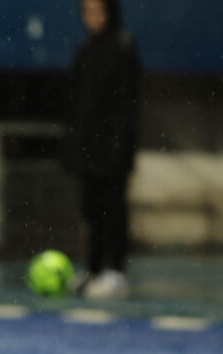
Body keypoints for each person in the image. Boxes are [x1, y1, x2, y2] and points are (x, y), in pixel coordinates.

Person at [62, 0, 141, 299]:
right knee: (92, 210)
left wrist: (117, 146)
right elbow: (78, 104)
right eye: (86, 11)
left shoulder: (123, 46)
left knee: (113, 210)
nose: (91, 17)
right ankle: (94, 269)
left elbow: (126, 104)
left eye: (96, 11)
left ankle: (116, 271)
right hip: (90, 149)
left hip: (113, 149)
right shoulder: (86, 50)